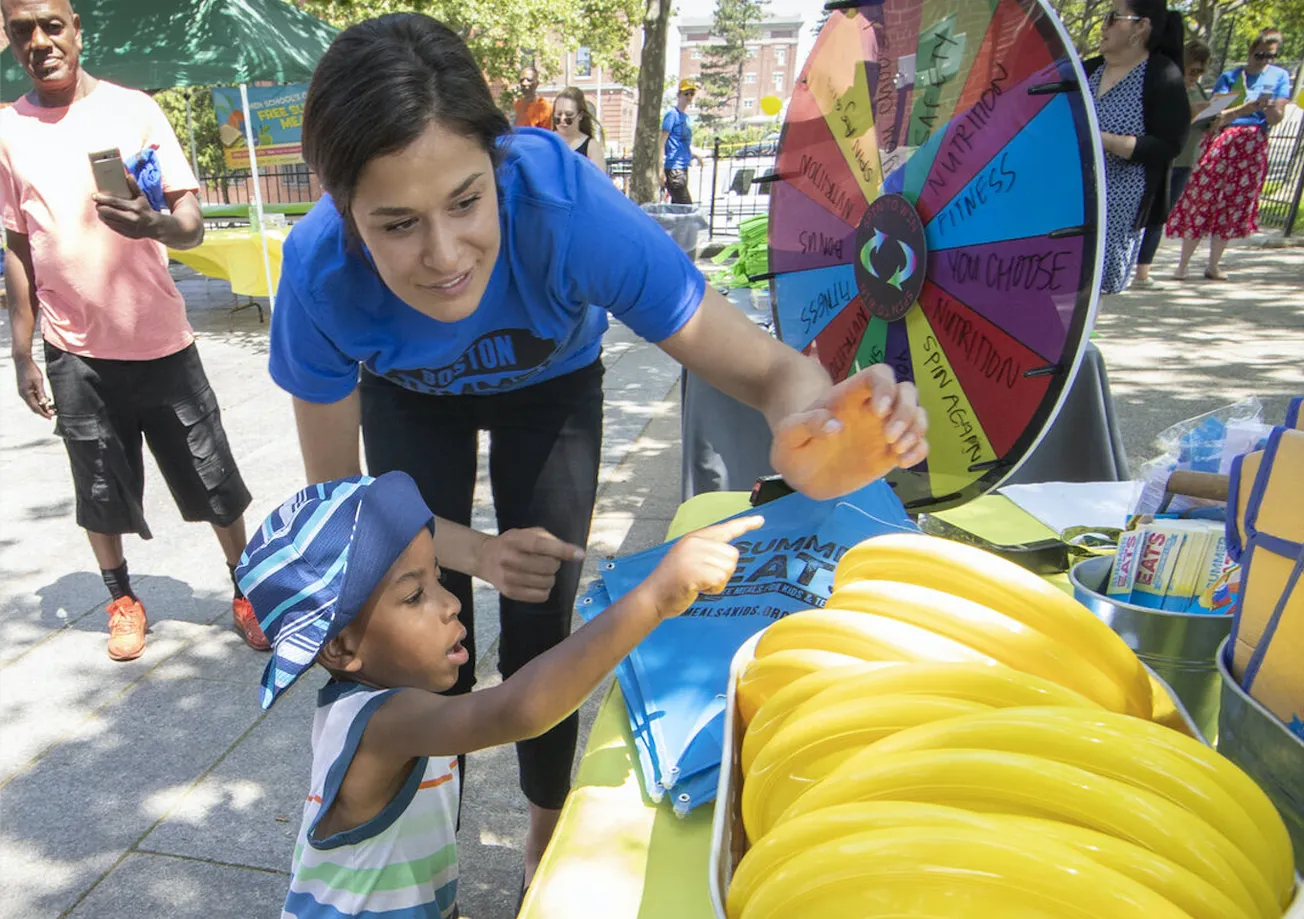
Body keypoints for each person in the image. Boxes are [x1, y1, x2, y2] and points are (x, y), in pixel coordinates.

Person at [271, 13, 929, 889]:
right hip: (409, 400)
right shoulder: (317, 274)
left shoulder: (567, 206)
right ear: (341, 207)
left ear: (499, 163)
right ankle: (429, 846)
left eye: (467, 201)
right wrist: (467, 552)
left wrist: (818, 429)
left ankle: (548, 832)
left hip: (551, 386)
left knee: (542, 616)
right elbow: (344, 513)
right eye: (395, 224)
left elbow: (771, 372)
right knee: (411, 630)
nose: (443, 257)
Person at [238, 472, 763, 919]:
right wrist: (652, 599)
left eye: (439, 578)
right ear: (341, 647)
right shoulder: (385, 722)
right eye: (414, 595)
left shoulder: (386, 702)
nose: (450, 604)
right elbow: (518, 708)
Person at [0, 0, 266, 661]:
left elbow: (192, 221)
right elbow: (17, 249)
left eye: (51, 26)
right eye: (21, 30)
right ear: (9, 40)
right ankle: (121, 597)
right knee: (97, 484)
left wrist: (153, 225)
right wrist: (22, 350)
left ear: (76, 30)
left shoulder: (135, 110)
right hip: (74, 350)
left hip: (160, 341)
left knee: (213, 477)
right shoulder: (7, 131)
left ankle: (246, 588)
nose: (39, 41)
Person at [1166, 29, 1292, 281]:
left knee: (1234, 203)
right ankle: (1183, 264)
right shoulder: (1231, 76)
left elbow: (1277, 117)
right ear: (1250, 50)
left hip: (1253, 142)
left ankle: (1214, 264)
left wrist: (1269, 107)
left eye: (1271, 56)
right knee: (1203, 197)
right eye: (1260, 54)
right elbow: (1215, 114)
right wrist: (1242, 108)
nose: (1265, 60)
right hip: (1224, 138)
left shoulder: (1279, 77)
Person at [1083, 0, 1190, 295]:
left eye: (1113, 17)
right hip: (1068, 196)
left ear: (1140, 27)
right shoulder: (1087, 71)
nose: (1103, 25)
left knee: (1093, 293)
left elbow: (1169, 144)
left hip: (1118, 205)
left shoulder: (1161, 75)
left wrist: (1101, 139)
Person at [1133, 39, 1212, 287]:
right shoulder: (1167, 83)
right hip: (1163, 158)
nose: (1196, 76)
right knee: (1146, 213)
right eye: (1193, 70)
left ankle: (1143, 271)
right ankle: (1134, 268)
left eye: (1201, 71)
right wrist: (1190, 111)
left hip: (1187, 159)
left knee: (1160, 216)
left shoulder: (1198, 90)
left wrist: (1216, 118)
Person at [661, 78, 702, 205]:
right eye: (686, 93)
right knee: (687, 208)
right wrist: (660, 169)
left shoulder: (686, 118)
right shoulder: (672, 115)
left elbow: (684, 143)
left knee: (677, 211)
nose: (689, 97)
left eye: (691, 93)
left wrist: (695, 155)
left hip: (683, 167)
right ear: (679, 94)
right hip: (673, 168)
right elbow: (661, 142)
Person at [552, 85, 606, 173]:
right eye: (558, 114)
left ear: (580, 115)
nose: (562, 119)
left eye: (569, 115)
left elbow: (599, 182)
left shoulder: (591, 147)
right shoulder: (546, 141)